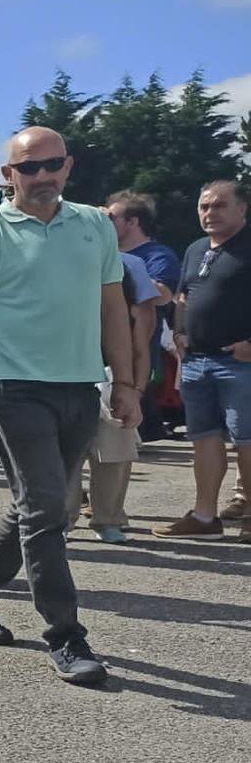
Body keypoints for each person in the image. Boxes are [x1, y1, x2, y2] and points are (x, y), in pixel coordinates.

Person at [0, 126, 135, 685]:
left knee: (41, 506)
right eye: (29, 168)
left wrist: (125, 382)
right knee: (48, 506)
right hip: (11, 385)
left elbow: (112, 307)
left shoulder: (96, 226)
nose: (43, 176)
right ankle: (66, 635)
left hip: (79, 384)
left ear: (68, 166)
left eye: (52, 165)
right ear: (9, 175)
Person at [155, 179, 251, 541]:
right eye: (204, 206)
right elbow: (183, 297)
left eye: (220, 205)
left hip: (241, 363)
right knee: (205, 440)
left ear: (242, 209)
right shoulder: (196, 248)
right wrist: (179, 334)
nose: (209, 213)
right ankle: (205, 517)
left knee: (248, 441)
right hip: (196, 361)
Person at [64, 238, 158, 543]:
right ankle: (60, 521)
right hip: (68, 379)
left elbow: (140, 347)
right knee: (65, 456)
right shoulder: (61, 272)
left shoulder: (128, 271)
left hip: (114, 378)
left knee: (115, 456)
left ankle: (108, 520)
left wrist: (136, 390)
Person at [106, 191, 183, 442]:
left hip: (137, 353)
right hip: (100, 348)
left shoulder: (158, 255)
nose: (105, 222)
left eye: (112, 217)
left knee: (124, 437)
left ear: (133, 221)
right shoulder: (101, 252)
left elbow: (162, 294)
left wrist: (125, 267)